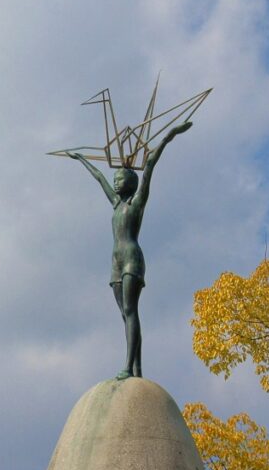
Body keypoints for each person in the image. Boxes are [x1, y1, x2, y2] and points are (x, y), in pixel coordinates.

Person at [66, 119, 192, 379]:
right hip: (115, 261)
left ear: (130, 183)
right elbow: (99, 177)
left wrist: (171, 134)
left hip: (132, 259)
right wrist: (80, 159)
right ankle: (136, 368)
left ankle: (129, 366)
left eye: (120, 178)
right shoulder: (115, 204)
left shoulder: (137, 203)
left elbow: (150, 164)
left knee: (132, 311)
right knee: (126, 315)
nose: (115, 181)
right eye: (115, 178)